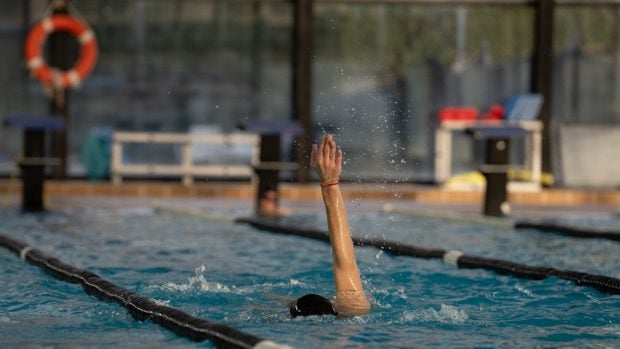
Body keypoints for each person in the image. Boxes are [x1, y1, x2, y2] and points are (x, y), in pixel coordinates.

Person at [289, 134, 370, 318]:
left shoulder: (355, 311)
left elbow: (344, 263)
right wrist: (330, 183)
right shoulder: (354, 308)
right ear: (333, 308)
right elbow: (345, 262)